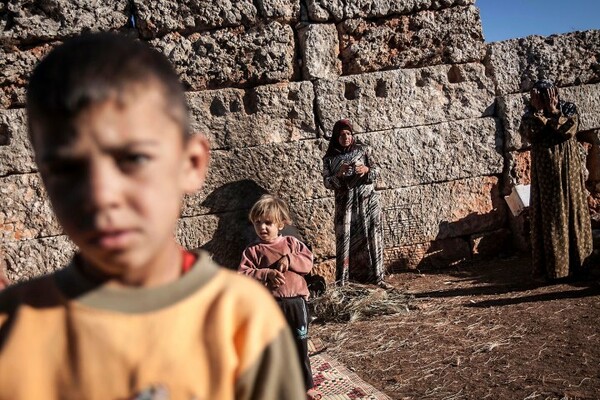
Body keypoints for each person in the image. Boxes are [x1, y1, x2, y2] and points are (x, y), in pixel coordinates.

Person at [0, 33, 305, 399]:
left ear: (190, 164)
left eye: (134, 159)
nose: (101, 195)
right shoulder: (13, 327)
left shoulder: (241, 320)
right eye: (67, 169)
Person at [239, 195, 320, 400]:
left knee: (299, 344)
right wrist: (265, 274)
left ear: (281, 224)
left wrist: (289, 259)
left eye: (268, 222)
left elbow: (308, 263)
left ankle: (306, 385)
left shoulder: (292, 244)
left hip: (296, 303)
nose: (262, 227)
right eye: (258, 223)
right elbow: (243, 274)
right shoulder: (253, 251)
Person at [521, 79, 593, 281]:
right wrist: (538, 114)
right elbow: (529, 133)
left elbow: (568, 130)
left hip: (568, 169)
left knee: (573, 211)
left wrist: (552, 112)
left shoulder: (567, 108)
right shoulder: (530, 114)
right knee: (551, 215)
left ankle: (578, 265)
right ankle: (555, 269)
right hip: (546, 172)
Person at [322, 119, 388, 287]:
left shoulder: (363, 150)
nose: (345, 137)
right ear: (336, 137)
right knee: (346, 239)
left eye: (348, 134)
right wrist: (339, 175)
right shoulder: (330, 159)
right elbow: (327, 183)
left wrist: (366, 170)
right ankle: (346, 281)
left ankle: (377, 277)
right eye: (341, 134)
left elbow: (377, 170)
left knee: (372, 235)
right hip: (346, 207)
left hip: (367, 202)